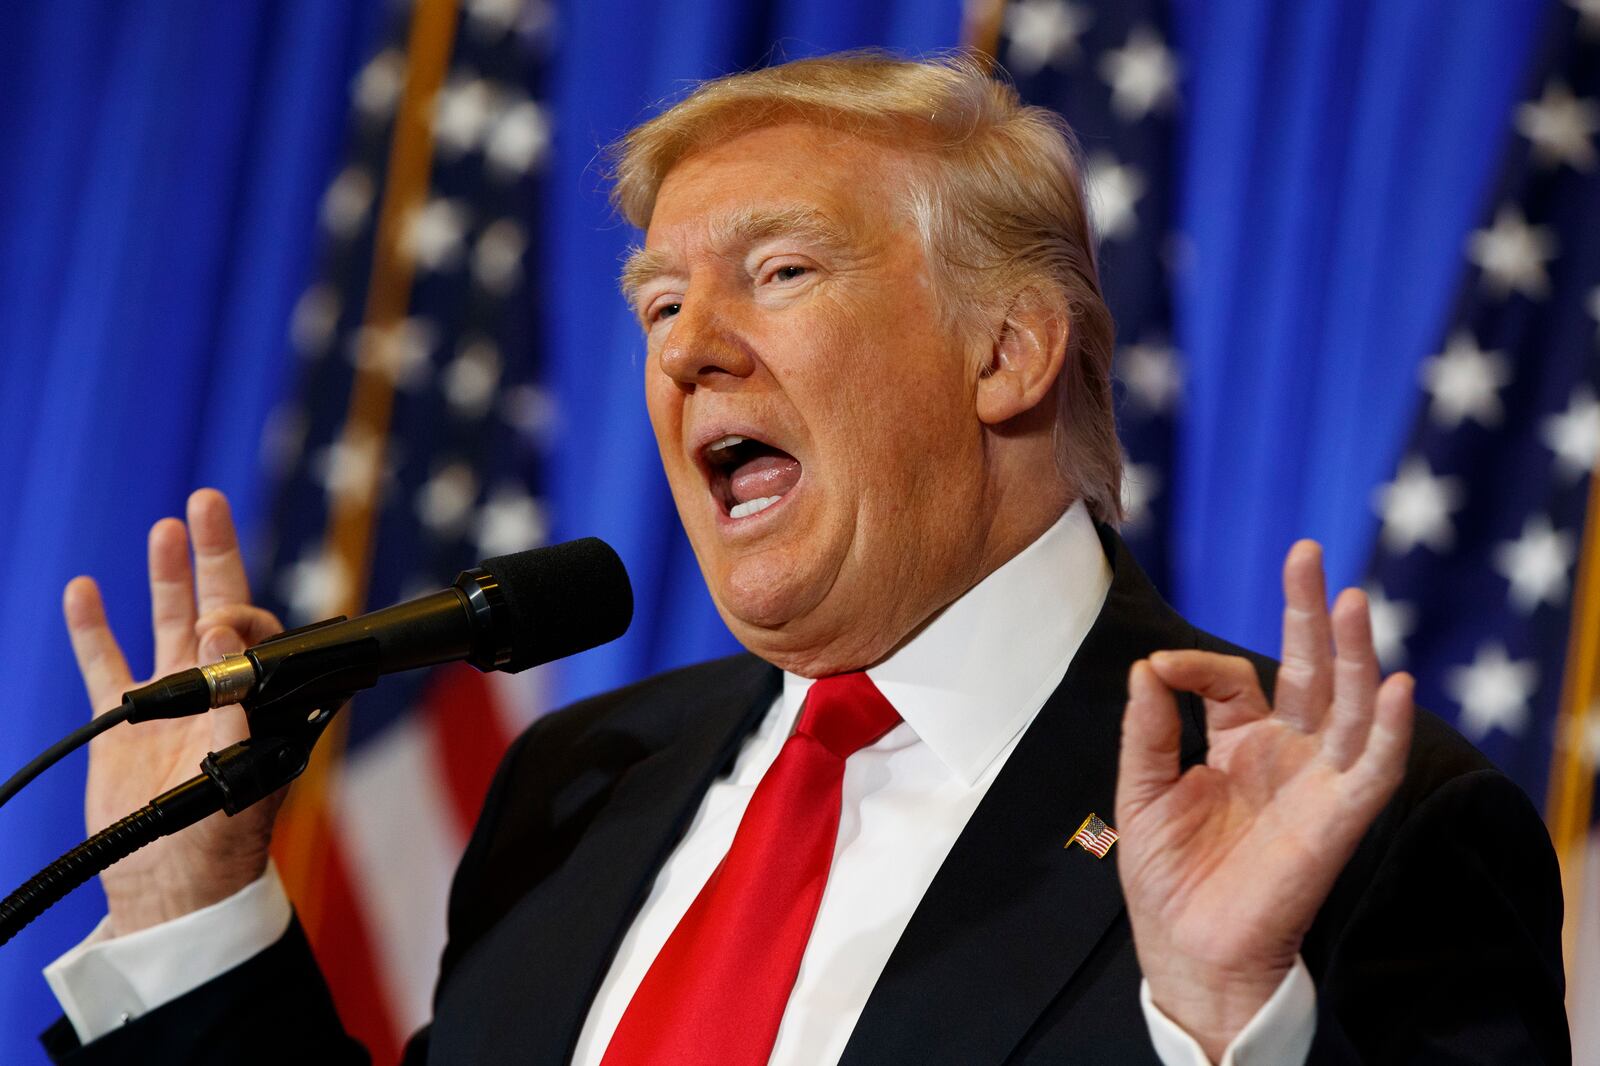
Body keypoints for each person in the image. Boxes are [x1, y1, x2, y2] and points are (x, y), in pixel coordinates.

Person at [42, 53, 1566, 1064]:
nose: (691, 347)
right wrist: (190, 912)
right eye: (655, 306)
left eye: (779, 272)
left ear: (1009, 349)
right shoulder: (572, 789)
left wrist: (1226, 1024)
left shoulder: (1333, 825)